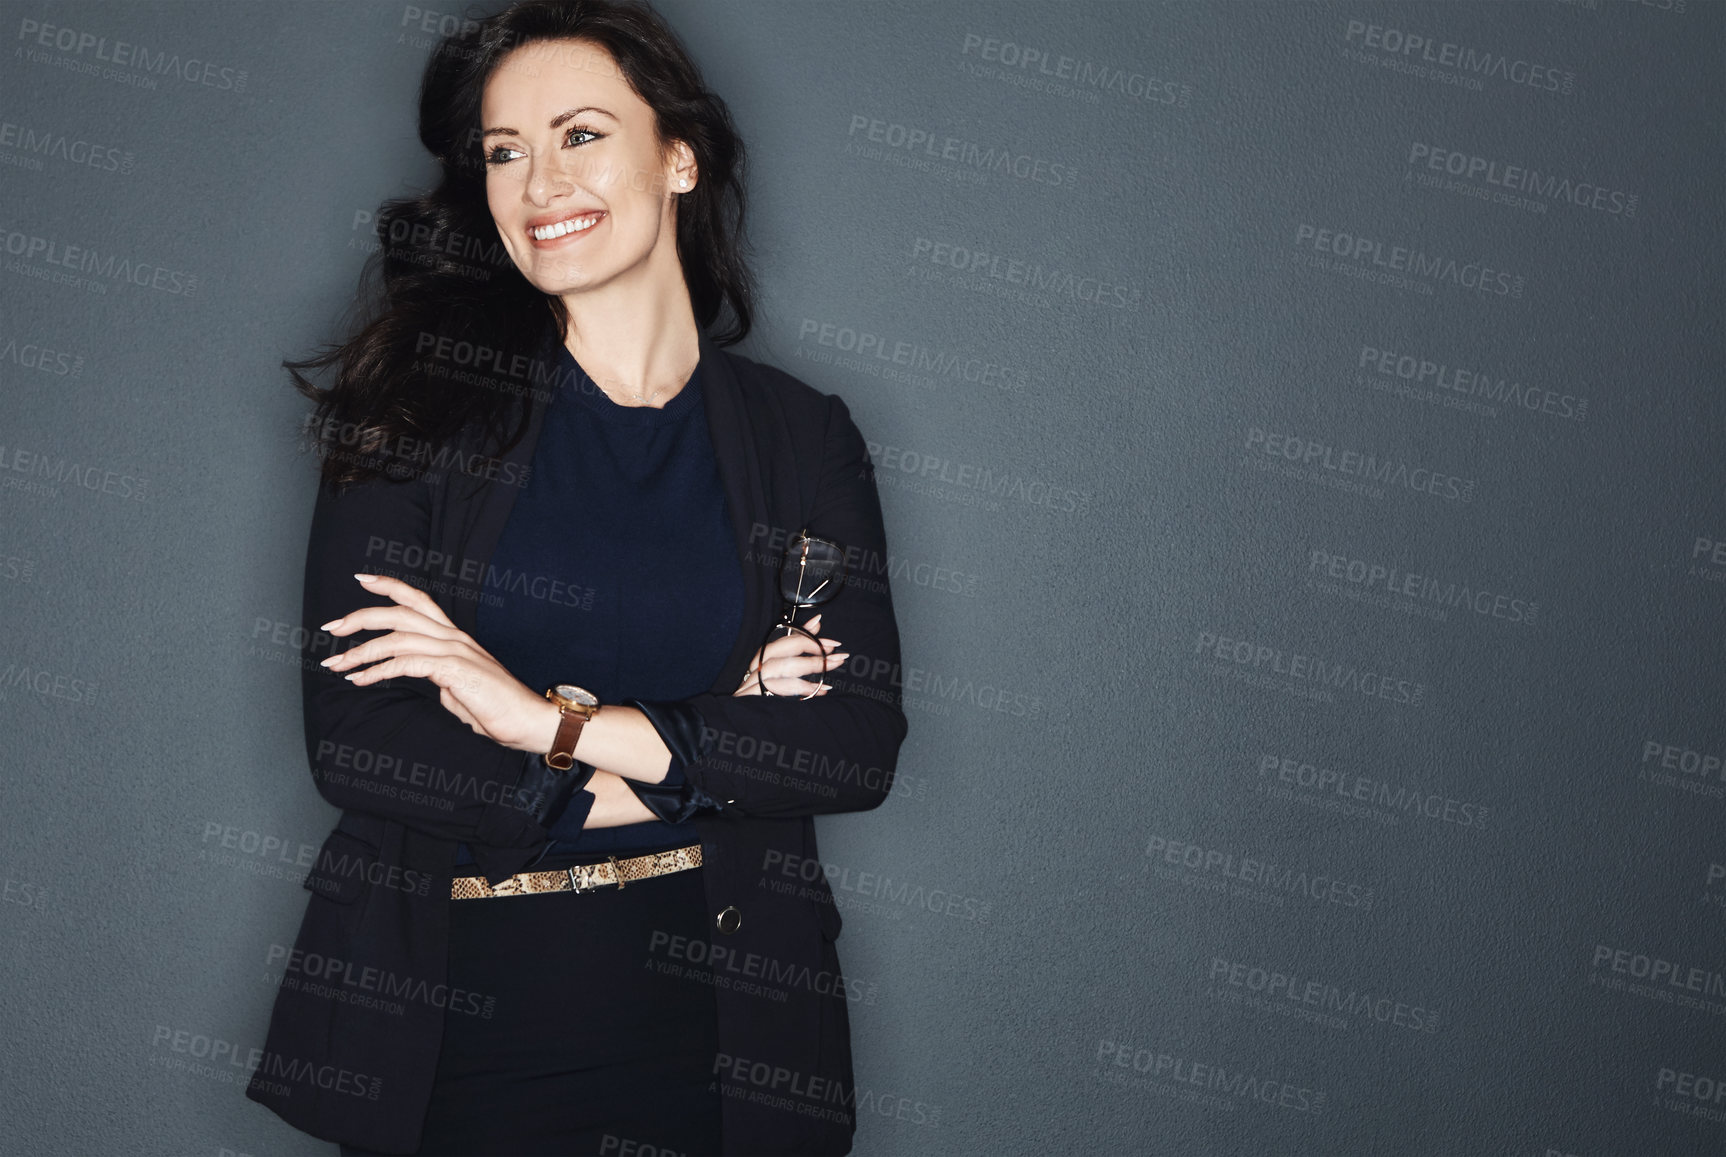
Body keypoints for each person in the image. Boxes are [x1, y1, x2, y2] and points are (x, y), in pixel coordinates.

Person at [243, 2, 908, 1154]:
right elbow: (360, 735)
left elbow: (851, 744)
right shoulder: (415, 410)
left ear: (679, 156)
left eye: (582, 134)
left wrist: (532, 719)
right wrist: (682, 757)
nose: (539, 181)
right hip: (462, 1044)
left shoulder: (805, 437)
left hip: (727, 1039)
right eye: (506, 151)